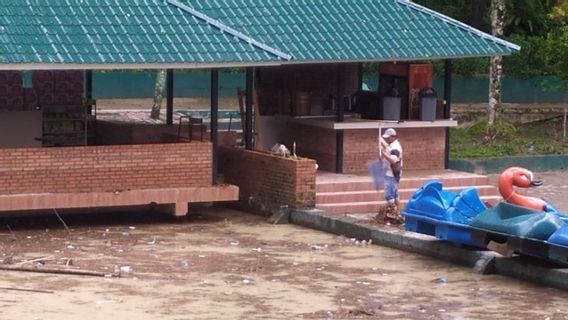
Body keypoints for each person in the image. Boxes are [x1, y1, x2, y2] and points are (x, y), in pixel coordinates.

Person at [379, 128, 403, 213]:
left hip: (392, 173)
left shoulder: (395, 148)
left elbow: (393, 160)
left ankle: (393, 212)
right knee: (395, 193)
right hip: (393, 172)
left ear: (393, 137)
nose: (387, 139)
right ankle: (397, 211)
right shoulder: (392, 144)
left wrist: (383, 154)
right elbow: (387, 146)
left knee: (389, 195)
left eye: (388, 138)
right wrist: (381, 140)